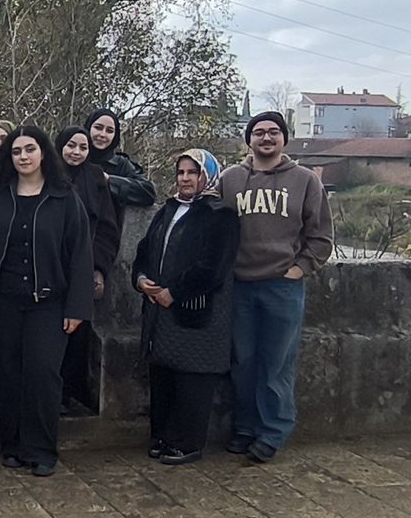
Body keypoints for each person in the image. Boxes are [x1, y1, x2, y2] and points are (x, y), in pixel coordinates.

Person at [0, 126, 94, 477]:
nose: (23, 156)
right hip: (2, 302)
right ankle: (12, 444)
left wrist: (77, 307)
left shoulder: (65, 198)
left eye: (30, 149)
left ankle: (40, 449)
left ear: (43, 154)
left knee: (42, 373)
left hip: (49, 303)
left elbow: (80, 255)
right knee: (7, 373)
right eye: (16, 151)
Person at [220, 111, 333, 463]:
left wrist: (299, 270)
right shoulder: (230, 179)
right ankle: (245, 427)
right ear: (249, 139)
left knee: (277, 364)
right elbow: (212, 226)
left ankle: (272, 432)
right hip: (240, 285)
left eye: (273, 132)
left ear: (284, 138)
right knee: (243, 362)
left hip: (282, 287)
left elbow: (321, 237)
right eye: (259, 132)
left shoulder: (305, 181)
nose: (266, 138)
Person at [134, 149, 240, 465]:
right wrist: (141, 279)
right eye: (181, 172)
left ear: (207, 175)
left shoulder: (220, 214)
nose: (185, 178)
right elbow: (145, 250)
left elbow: (213, 267)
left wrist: (175, 292)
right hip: (159, 310)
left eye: (193, 172)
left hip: (198, 311)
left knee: (192, 380)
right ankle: (163, 436)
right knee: (164, 376)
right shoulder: (168, 209)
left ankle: (188, 443)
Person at [54, 126, 121, 412]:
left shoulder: (95, 178)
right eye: (71, 145)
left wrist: (98, 267)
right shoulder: (47, 174)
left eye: (83, 148)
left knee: (77, 333)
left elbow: (107, 228)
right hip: (48, 266)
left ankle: (69, 395)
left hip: (83, 267)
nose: (76, 152)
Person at [84, 108, 156, 211]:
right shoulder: (74, 157)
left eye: (109, 131)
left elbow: (148, 192)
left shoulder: (121, 165)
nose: (103, 134)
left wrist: (109, 181)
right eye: (98, 128)